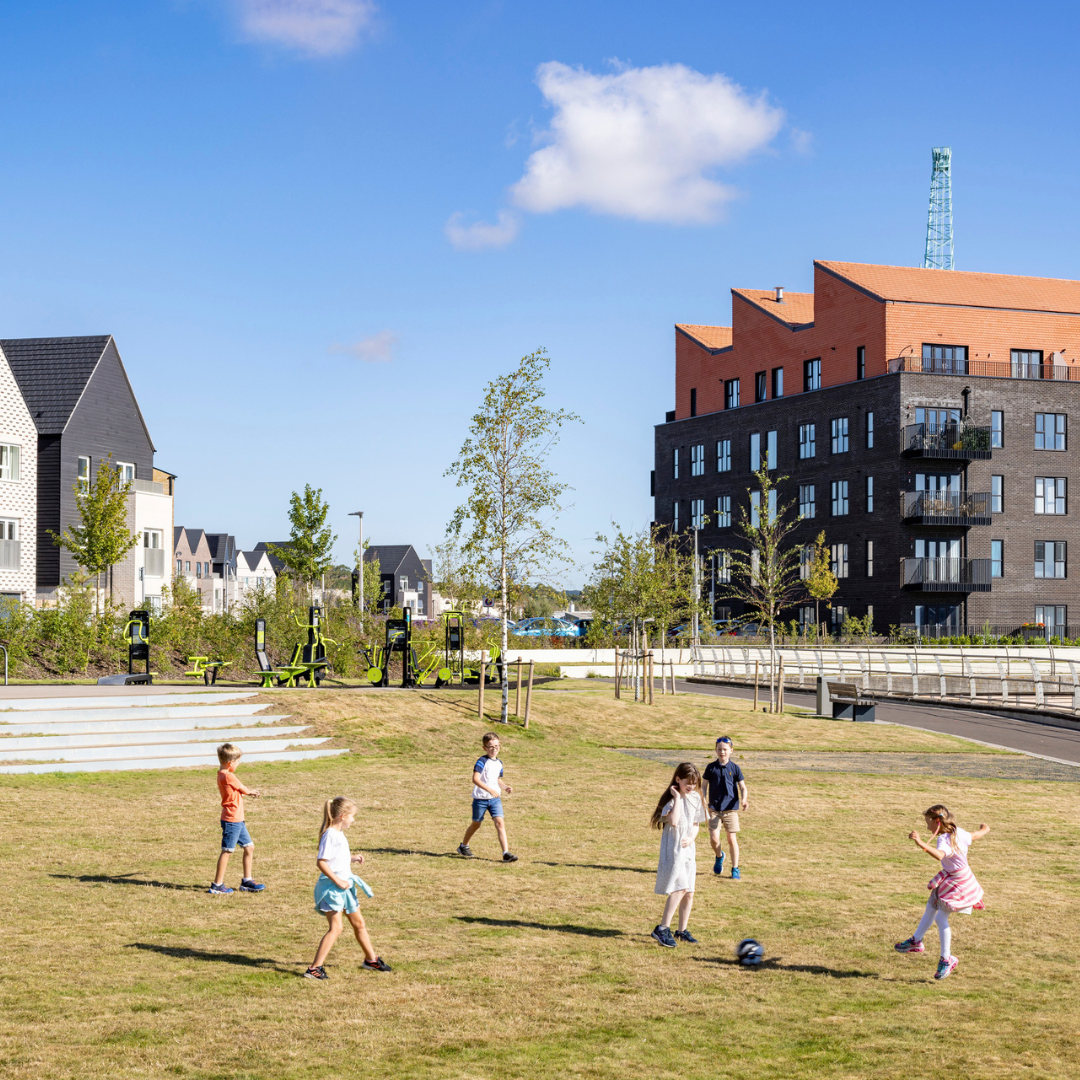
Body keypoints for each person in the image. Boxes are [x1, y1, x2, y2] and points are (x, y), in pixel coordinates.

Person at [894, 804, 989, 980]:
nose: (927, 827)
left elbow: (939, 855)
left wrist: (920, 842)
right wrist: (984, 829)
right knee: (932, 903)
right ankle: (916, 940)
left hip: (958, 882)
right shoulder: (958, 831)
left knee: (941, 917)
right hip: (955, 877)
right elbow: (974, 836)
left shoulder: (944, 839)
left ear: (937, 821)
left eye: (928, 823)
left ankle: (947, 959)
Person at [305, 796, 391, 980]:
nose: (354, 819)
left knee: (359, 923)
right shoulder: (329, 835)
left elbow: (335, 858)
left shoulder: (339, 834)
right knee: (336, 928)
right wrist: (337, 881)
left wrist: (352, 858)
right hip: (332, 889)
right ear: (342, 816)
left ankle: (371, 960)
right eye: (352, 816)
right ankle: (314, 969)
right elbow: (321, 862)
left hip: (344, 887)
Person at [650, 762, 707, 948]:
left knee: (689, 891)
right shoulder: (672, 800)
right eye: (687, 782)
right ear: (677, 780)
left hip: (688, 848)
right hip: (674, 848)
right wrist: (676, 796)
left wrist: (691, 838)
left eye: (694, 782)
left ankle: (681, 931)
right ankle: (662, 928)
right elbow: (673, 822)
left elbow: (696, 823)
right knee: (680, 887)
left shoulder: (696, 798)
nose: (690, 785)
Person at [209, 743, 264, 895]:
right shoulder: (228, 775)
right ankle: (217, 885)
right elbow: (243, 788)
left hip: (237, 819)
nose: (238, 764)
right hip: (232, 820)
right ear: (231, 762)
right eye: (238, 762)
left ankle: (247, 881)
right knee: (227, 851)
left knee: (249, 847)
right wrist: (252, 792)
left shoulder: (221, 774)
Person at [457, 732, 518, 862]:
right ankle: (464, 846)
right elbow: (475, 779)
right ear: (484, 748)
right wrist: (489, 790)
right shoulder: (482, 761)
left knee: (500, 823)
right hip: (480, 799)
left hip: (495, 799)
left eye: (496, 746)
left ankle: (506, 853)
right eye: (490, 746)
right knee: (476, 824)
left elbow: (496, 779)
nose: (494, 749)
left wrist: (505, 787)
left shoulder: (499, 763)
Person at [702, 737, 748, 879]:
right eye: (719, 749)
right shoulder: (711, 767)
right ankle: (719, 856)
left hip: (730, 809)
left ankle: (735, 868)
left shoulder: (735, 768)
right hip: (714, 809)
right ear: (715, 750)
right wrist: (703, 801)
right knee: (714, 839)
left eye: (725, 749)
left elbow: (742, 787)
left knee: (731, 839)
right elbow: (703, 786)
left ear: (731, 751)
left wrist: (744, 800)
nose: (722, 752)